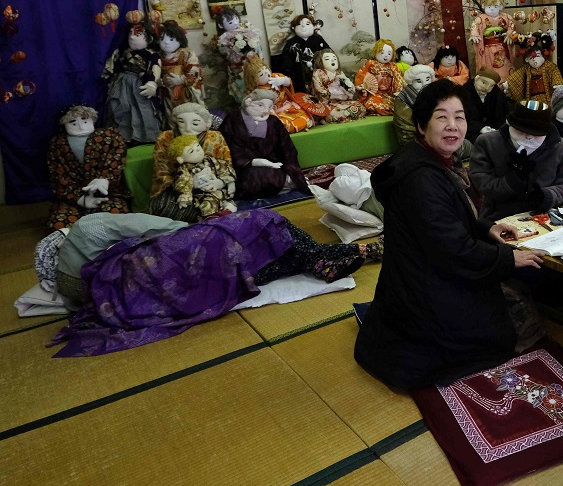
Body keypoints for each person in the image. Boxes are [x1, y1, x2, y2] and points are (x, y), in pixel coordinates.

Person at [354, 79, 545, 388]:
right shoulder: (421, 180)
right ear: (420, 124)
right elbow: (453, 249)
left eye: (459, 117)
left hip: (419, 273)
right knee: (507, 329)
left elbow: (447, 222)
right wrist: (510, 258)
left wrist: (487, 227)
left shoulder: (429, 160)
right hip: (427, 288)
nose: (452, 126)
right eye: (441, 117)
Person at [44, 210, 378, 356]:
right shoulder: (91, 226)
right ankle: (350, 253)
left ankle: (337, 255)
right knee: (264, 223)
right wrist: (208, 227)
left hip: (224, 280)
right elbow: (166, 228)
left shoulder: (88, 284)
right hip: (190, 256)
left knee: (273, 256)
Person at [470, 99, 563, 221]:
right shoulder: (487, 143)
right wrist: (512, 181)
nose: (528, 136)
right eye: (521, 131)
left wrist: (546, 196)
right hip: (497, 218)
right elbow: (481, 182)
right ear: (509, 124)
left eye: (536, 133)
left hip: (548, 218)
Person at [47, 105, 130, 230]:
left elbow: (117, 157)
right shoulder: (58, 144)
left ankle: (106, 240)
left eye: (85, 121)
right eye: (73, 123)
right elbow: (58, 174)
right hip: (71, 198)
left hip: (106, 194)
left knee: (117, 214)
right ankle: (73, 241)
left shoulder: (110, 136)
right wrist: (81, 199)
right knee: (59, 222)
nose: (81, 126)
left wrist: (105, 179)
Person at [150, 102, 234, 222]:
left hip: (210, 185)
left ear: (206, 124)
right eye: (181, 122)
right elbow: (161, 169)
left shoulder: (215, 137)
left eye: (195, 123)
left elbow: (226, 163)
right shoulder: (165, 137)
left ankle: (211, 212)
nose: (188, 128)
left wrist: (220, 182)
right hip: (178, 187)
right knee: (163, 207)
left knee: (212, 201)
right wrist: (183, 187)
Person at [219, 89, 310, 200]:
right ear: (248, 102)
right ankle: (283, 184)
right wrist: (255, 162)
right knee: (250, 178)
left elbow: (287, 148)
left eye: (269, 107)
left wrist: (290, 167)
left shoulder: (273, 122)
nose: (265, 111)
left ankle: (286, 182)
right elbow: (230, 147)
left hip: (275, 164)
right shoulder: (233, 120)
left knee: (286, 174)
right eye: (260, 105)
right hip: (246, 167)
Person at [392, 64, 435, 145]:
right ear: (411, 82)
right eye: (418, 81)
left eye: (427, 79)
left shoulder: (432, 94)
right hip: (414, 139)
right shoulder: (403, 99)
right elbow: (405, 126)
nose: (424, 84)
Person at [461, 68, 506, 144]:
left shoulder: (498, 95)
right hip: (471, 132)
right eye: (484, 83)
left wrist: (495, 130)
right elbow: (463, 118)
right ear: (477, 78)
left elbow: (502, 116)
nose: (487, 88)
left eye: (491, 86)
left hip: (493, 131)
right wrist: (480, 128)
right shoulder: (464, 93)